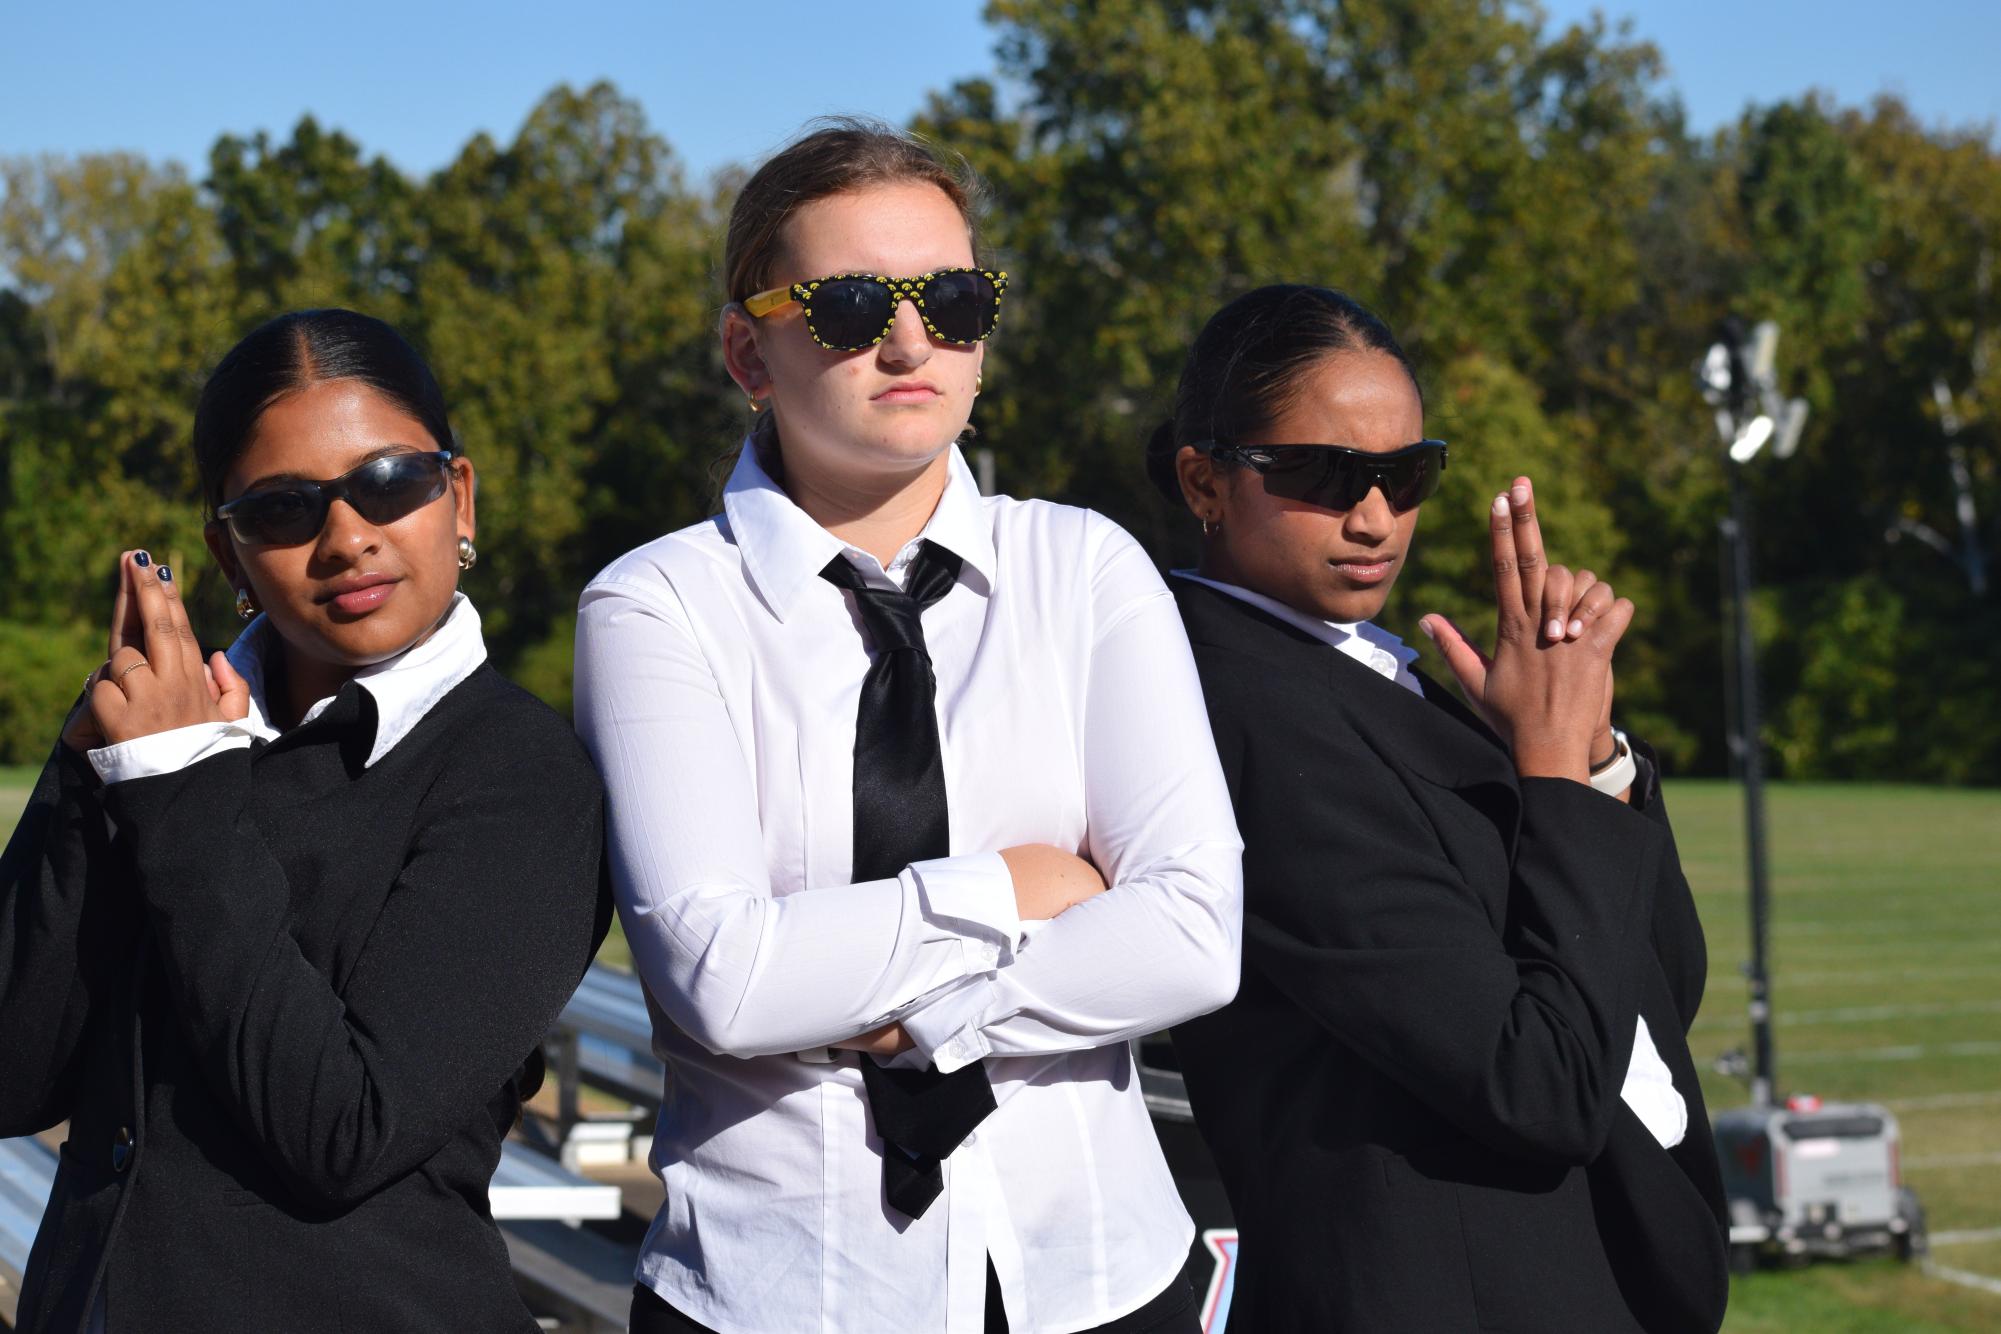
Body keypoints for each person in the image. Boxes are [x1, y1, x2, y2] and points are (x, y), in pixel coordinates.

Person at [573, 119, 1243, 1334]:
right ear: (747, 349)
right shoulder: (656, 604)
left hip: (1099, 1274)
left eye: (952, 296)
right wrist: (1013, 886)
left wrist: (908, 1005)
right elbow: (724, 982)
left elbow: (1196, 935)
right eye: (843, 304)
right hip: (776, 1292)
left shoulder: (1086, 567)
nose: (908, 338)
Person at [0, 309, 611, 1334]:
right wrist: (87, 767)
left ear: (457, 496)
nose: (346, 536)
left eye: (390, 481)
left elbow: (345, 1129)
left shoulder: (523, 776)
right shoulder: (162, 734)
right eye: (284, 507)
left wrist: (173, 781)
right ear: (226, 549)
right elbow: (14, 1076)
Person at [1153, 286, 1730, 1333]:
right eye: (1323, 474)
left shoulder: (1374, 677)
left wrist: (1589, 761)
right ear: (1205, 478)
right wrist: (1547, 773)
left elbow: (1656, 985)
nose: (1373, 516)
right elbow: (1539, 1080)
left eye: (1403, 474)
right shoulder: (1233, 707)